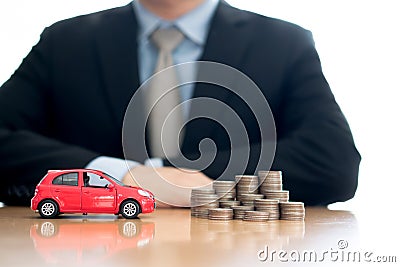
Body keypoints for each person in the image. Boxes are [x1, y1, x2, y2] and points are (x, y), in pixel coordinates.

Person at [0, 0, 360, 206]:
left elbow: (333, 161)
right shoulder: (65, 42)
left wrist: (173, 174)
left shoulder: (283, 43)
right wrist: (117, 175)